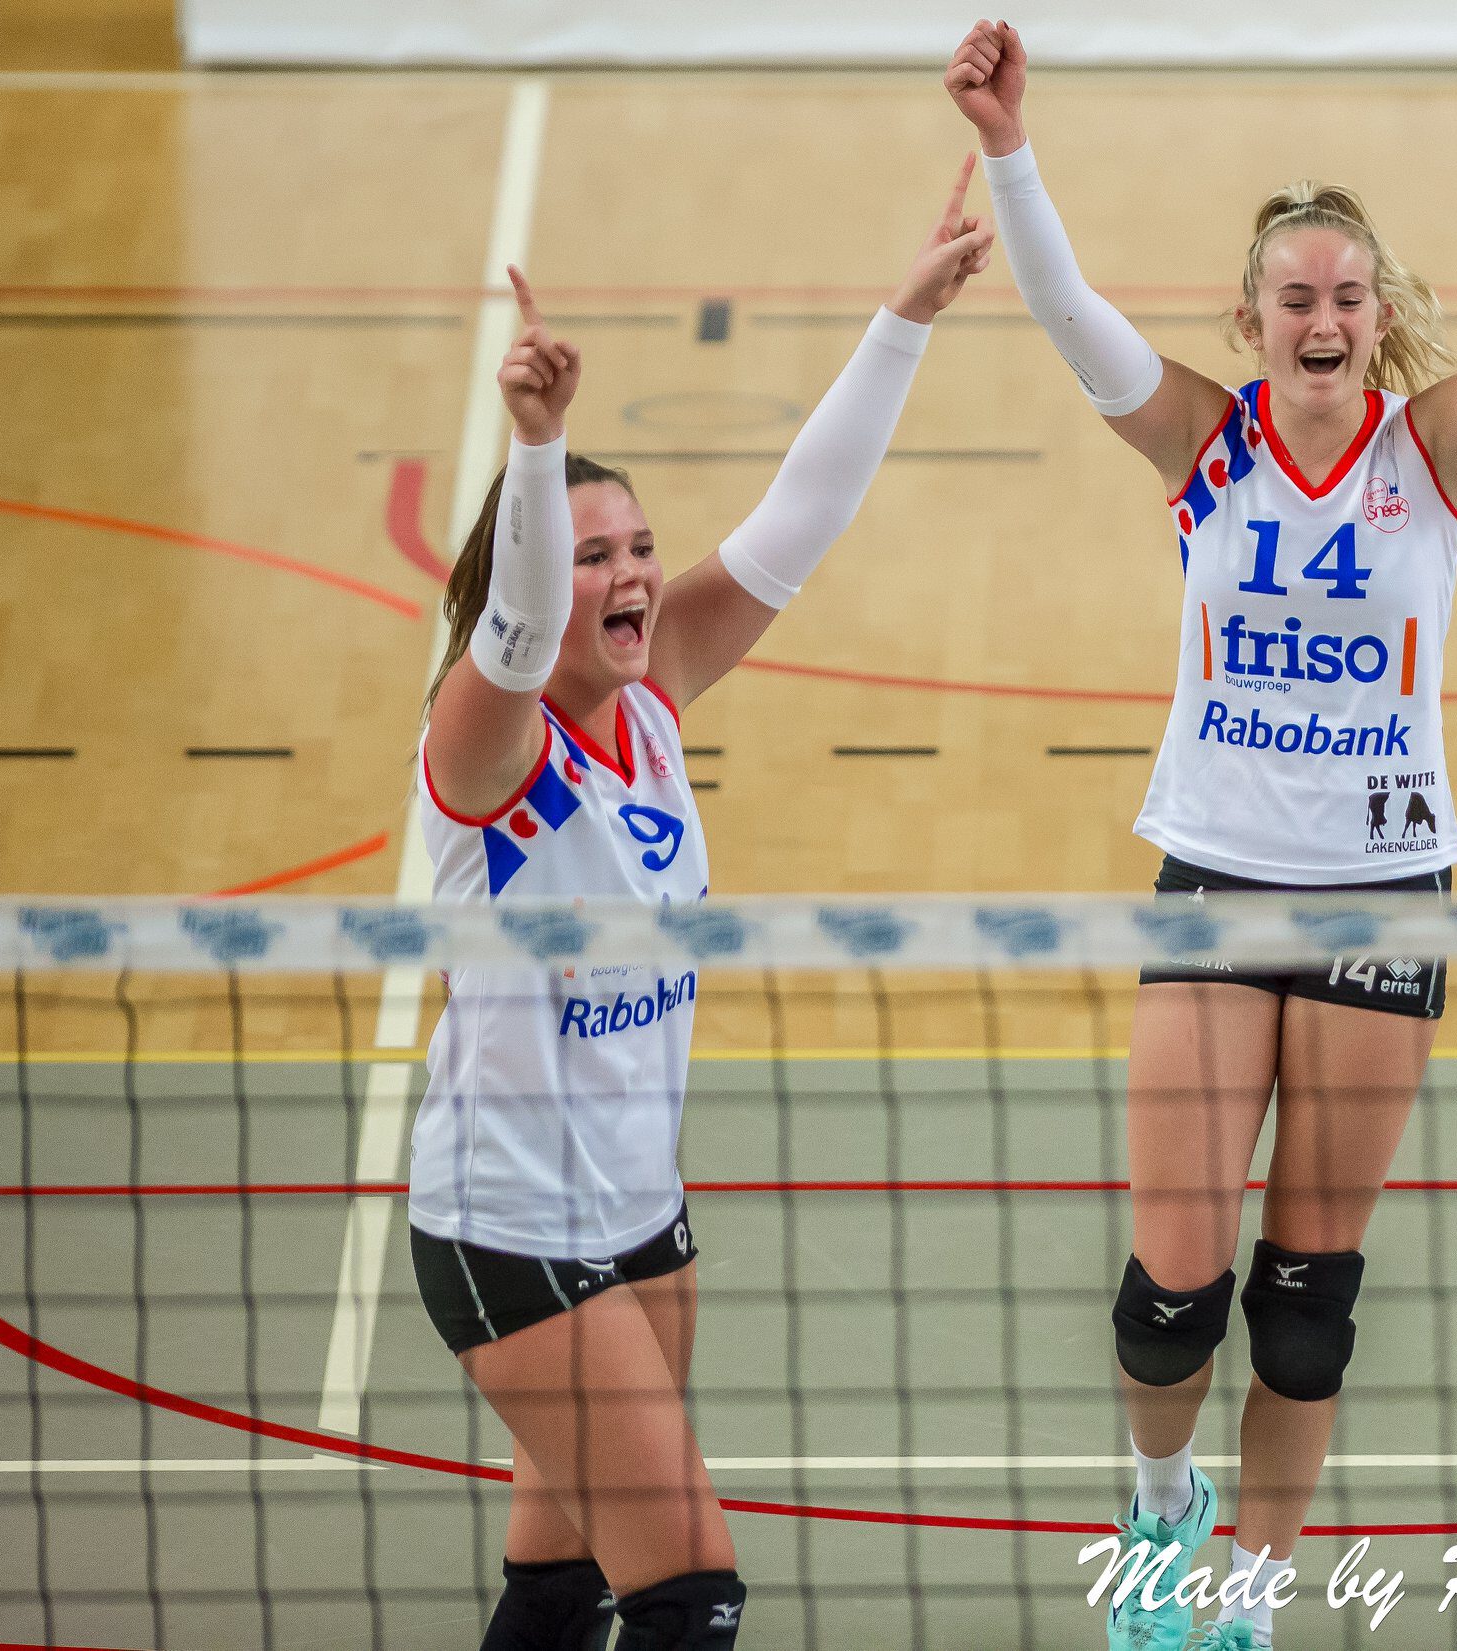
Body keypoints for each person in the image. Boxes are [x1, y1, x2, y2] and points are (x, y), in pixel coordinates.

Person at [946, 23, 1457, 1649]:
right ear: (1253, 320)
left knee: (1307, 1312)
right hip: (1217, 883)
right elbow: (1064, 311)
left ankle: (1245, 1607)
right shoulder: (1208, 447)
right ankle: (1159, 1510)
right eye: (1294, 298)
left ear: (1379, 315)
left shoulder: (1430, 454)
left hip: (1384, 895)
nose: (1322, 320)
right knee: (1170, 1298)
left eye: (1347, 296)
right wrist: (1007, 146)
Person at [405, 161, 993, 1651]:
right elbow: (518, 630)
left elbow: (806, 513)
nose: (634, 577)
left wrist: (905, 318)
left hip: (641, 1213)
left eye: (641, 548)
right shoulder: (487, 751)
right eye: (594, 555)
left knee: (564, 1583)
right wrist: (536, 447)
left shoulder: (657, 692)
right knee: (692, 1597)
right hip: (508, 1223)